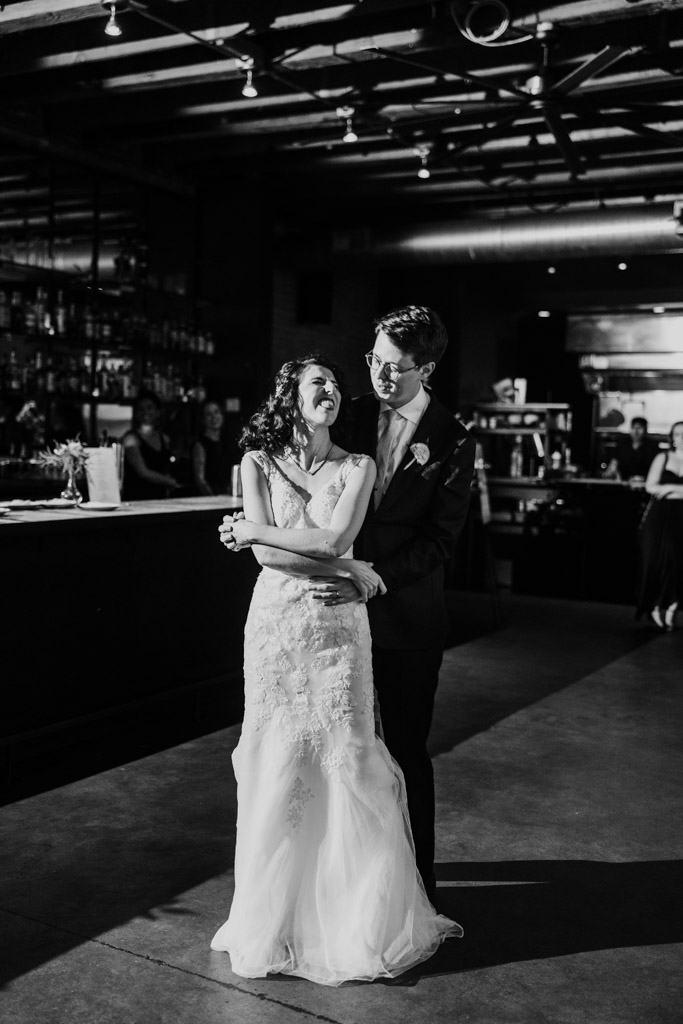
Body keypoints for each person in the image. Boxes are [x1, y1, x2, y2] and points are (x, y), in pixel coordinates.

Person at [211, 354, 462, 985]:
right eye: (318, 381)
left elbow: (330, 538)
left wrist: (264, 533)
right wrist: (349, 567)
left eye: (335, 384)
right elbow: (268, 554)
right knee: (278, 759)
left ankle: (354, 915)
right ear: (290, 394)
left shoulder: (358, 464)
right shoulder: (256, 462)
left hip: (337, 630)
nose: (332, 390)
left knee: (346, 755)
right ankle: (277, 916)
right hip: (275, 626)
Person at [309, 305, 476, 899]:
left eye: (395, 368)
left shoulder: (453, 440)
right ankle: (346, 876)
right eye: (374, 361)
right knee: (339, 746)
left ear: (425, 369)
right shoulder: (349, 416)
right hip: (334, 612)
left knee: (405, 748)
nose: (380, 376)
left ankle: (417, 883)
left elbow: (439, 541)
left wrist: (370, 577)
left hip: (407, 615)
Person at [636, 420, 683, 631]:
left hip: (680, 517)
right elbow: (651, 486)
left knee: (677, 561)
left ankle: (673, 603)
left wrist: (669, 489)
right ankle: (654, 605)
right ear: (672, 437)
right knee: (655, 561)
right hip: (659, 515)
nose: (681, 438)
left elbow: (662, 489)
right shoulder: (662, 457)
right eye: (678, 434)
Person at [122, 390, 179, 500]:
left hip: (160, 498)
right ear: (136, 413)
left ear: (158, 412)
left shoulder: (164, 438)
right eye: (141, 409)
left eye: (149, 408)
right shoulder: (131, 438)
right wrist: (169, 481)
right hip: (137, 499)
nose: (145, 412)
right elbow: (143, 473)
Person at [191, 399, 230, 495]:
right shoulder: (200, 445)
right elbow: (200, 480)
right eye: (208, 414)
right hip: (211, 500)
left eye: (216, 412)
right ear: (203, 420)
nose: (214, 417)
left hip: (227, 498)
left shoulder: (226, 441)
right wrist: (214, 499)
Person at [604, 416, 659, 482]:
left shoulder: (652, 446)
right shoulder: (622, 444)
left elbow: (656, 468)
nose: (636, 431)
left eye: (639, 428)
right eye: (633, 428)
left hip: (645, 483)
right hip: (623, 482)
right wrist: (611, 472)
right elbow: (614, 463)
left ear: (645, 430)